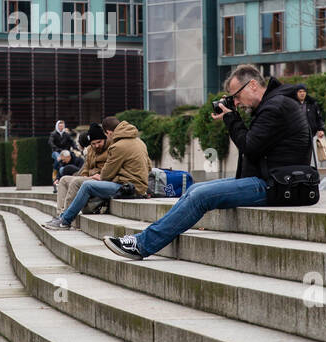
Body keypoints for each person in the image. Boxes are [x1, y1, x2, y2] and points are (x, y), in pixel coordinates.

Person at [101, 64, 310, 260]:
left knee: (200, 195)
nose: (236, 102)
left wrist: (231, 118)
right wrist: (233, 118)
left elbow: (250, 147)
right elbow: (255, 146)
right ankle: (140, 239)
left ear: (253, 85)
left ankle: (142, 245)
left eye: (237, 95)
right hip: (271, 179)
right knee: (195, 188)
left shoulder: (276, 106)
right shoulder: (274, 104)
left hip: (277, 185)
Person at [45, 116, 150, 230]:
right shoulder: (139, 141)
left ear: (108, 132)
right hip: (138, 185)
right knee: (80, 182)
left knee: (87, 185)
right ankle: (63, 217)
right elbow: (149, 166)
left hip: (129, 188)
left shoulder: (118, 146)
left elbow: (106, 175)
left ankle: (65, 221)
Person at [55, 123, 107, 215]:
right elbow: (86, 167)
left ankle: (66, 216)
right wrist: (86, 175)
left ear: (104, 139)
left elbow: (105, 170)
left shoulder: (109, 150)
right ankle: (60, 214)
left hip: (100, 179)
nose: (96, 145)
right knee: (64, 180)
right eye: (93, 143)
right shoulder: (91, 150)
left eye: (99, 142)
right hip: (90, 177)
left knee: (75, 182)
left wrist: (89, 174)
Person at [295, 85, 326, 164]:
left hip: (309, 134)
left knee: (307, 156)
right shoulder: (292, 103)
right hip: (295, 135)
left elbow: (319, 118)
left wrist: (321, 129)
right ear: (296, 93)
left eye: (304, 91)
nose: (302, 93)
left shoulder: (312, 104)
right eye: (300, 92)